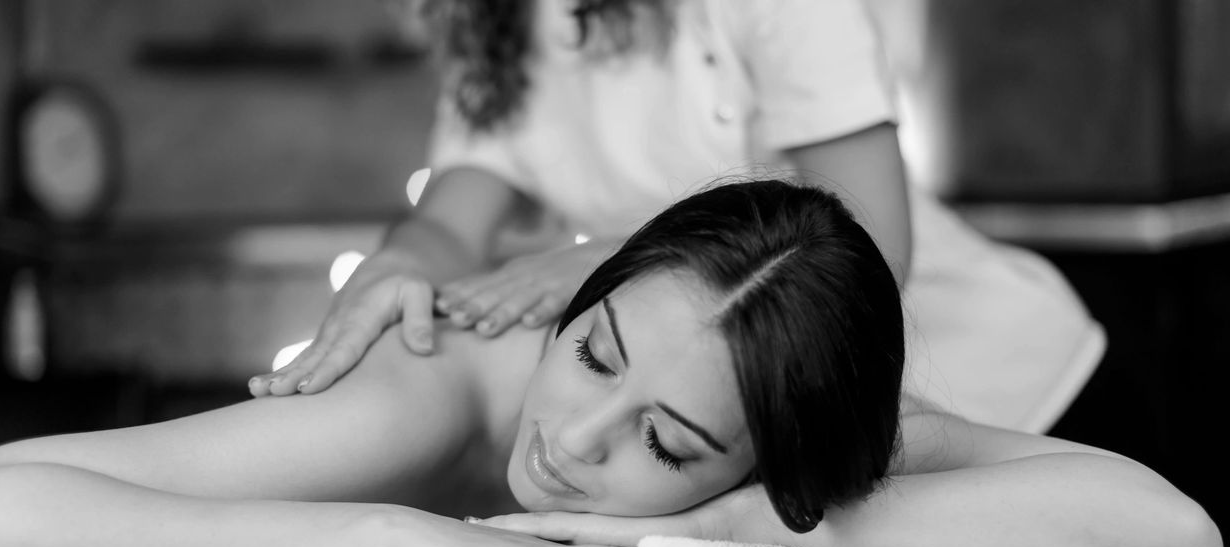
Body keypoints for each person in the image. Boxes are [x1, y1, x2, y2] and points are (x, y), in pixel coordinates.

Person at [0, 181, 1221, 547]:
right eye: (591, 354)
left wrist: (750, 527)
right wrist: (384, 535)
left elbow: (1179, 545)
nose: (573, 440)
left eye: (668, 439)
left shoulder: (787, 444)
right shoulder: (432, 400)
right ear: (579, 301)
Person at [250, 0, 1105, 434]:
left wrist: (625, 260)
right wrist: (402, 265)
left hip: (1000, 379)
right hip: (750, 395)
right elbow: (449, 219)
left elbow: (872, 242)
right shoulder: (503, 28)